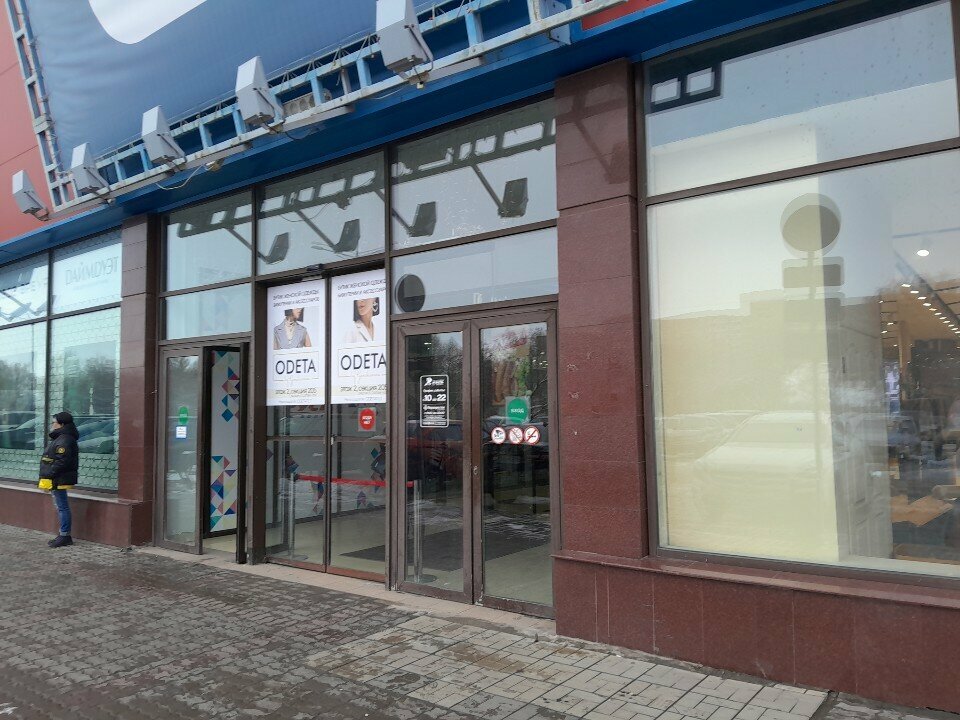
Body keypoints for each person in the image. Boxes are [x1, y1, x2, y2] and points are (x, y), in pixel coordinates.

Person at [38, 411, 80, 548]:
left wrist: (49, 473)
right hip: (56, 478)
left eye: (54, 422)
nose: (52, 424)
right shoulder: (62, 437)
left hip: (58, 478)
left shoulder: (65, 439)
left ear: (61, 424)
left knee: (62, 507)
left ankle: (65, 536)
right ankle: (63, 534)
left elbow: (62, 461)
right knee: (61, 506)